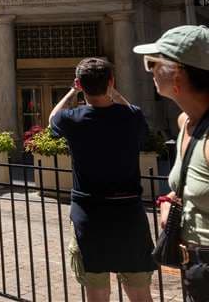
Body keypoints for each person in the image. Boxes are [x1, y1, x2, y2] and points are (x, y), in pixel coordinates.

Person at [49, 58, 155, 302]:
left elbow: (53, 118)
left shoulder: (72, 119)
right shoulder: (131, 117)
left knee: (97, 295)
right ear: (111, 81)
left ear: (80, 84)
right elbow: (132, 112)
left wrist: (72, 91)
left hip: (90, 218)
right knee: (140, 294)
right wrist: (112, 90)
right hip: (129, 216)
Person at [134, 25, 209, 301]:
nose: (150, 70)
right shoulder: (186, 122)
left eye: (154, 62)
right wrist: (172, 199)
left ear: (178, 73)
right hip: (195, 269)